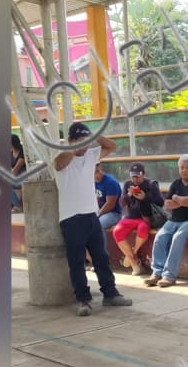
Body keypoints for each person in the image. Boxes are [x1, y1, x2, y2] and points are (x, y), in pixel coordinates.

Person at [53, 122, 133, 316]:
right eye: (80, 140)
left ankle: (110, 294)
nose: (85, 145)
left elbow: (111, 146)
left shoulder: (91, 155)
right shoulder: (63, 157)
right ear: (71, 141)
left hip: (91, 215)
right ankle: (83, 300)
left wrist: (94, 136)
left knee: (101, 257)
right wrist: (74, 146)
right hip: (71, 218)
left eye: (86, 141)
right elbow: (58, 164)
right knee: (77, 262)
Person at [147, 154, 188, 287]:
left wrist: (176, 198)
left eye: (187, 168)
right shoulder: (176, 183)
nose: (184, 170)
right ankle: (157, 272)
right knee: (160, 237)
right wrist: (183, 200)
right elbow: (167, 204)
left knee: (178, 237)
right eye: (182, 167)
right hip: (174, 219)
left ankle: (169, 276)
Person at [112, 162, 161, 275]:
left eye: (138, 176)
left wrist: (145, 197)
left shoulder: (151, 184)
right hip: (130, 217)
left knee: (143, 229)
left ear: (144, 174)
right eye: (133, 176)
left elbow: (160, 202)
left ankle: (133, 254)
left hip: (145, 217)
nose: (135, 179)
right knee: (117, 231)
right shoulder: (127, 184)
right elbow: (121, 203)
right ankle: (134, 264)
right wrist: (129, 195)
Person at [94, 163, 122, 232]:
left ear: (101, 169)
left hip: (113, 213)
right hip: (97, 211)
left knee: (98, 224)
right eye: (94, 172)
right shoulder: (90, 182)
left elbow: (110, 204)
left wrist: (97, 215)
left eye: (98, 171)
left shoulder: (111, 182)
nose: (97, 174)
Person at [11, 134, 26, 213]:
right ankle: (16, 205)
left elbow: (15, 170)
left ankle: (18, 206)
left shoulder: (22, 152)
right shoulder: (11, 153)